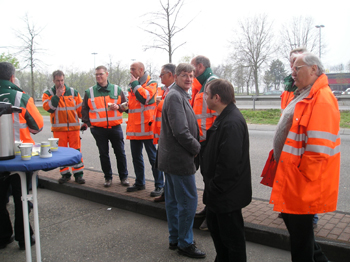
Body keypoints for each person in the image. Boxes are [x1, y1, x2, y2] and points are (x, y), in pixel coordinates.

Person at [269, 53, 340, 261]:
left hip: (300, 181)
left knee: (301, 240)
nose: (292, 72)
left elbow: (319, 147)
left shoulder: (322, 98)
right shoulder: (304, 93)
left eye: (297, 68)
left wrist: (302, 177)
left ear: (313, 70)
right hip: (293, 176)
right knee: (301, 236)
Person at [158, 63, 206, 259]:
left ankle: (175, 238)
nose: (188, 78)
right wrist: (197, 148)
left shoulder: (178, 95)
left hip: (170, 159)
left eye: (191, 75)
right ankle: (185, 243)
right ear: (176, 77)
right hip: (178, 160)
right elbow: (181, 132)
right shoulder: (176, 97)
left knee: (173, 200)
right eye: (184, 75)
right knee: (188, 201)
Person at [201, 79, 252, 261]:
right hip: (220, 194)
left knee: (232, 241)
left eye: (207, 94)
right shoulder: (224, 118)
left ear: (216, 97)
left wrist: (213, 186)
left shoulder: (231, 122)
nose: (204, 98)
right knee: (220, 236)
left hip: (226, 195)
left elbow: (229, 164)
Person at [0, 62, 43, 250]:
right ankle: (25, 237)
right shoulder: (20, 96)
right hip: (20, 157)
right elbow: (37, 126)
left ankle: (3, 236)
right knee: (22, 199)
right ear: (12, 78)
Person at [82, 65, 129, 187]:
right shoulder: (90, 92)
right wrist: (89, 124)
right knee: (103, 154)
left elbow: (126, 106)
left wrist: (118, 107)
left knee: (120, 153)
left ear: (107, 74)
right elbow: (84, 109)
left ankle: (124, 177)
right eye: (96, 74)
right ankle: (108, 178)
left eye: (101, 74)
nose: (98, 76)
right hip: (98, 129)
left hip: (115, 128)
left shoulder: (116, 89)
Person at [126, 62, 164, 197]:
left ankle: (160, 185)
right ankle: (139, 183)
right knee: (136, 158)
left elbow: (144, 98)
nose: (130, 72)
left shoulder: (151, 83)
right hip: (135, 129)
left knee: (154, 159)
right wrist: (121, 106)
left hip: (148, 128)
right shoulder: (134, 85)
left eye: (133, 69)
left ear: (141, 70)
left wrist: (135, 85)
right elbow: (133, 103)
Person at [42, 70, 85, 184]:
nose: (60, 83)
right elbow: (48, 108)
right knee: (61, 152)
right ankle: (65, 174)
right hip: (58, 129)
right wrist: (57, 96)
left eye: (62, 80)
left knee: (76, 151)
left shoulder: (73, 92)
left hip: (74, 128)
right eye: (57, 81)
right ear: (53, 80)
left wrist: (85, 121)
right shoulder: (48, 93)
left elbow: (80, 109)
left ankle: (78, 174)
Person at [191, 55, 219, 230]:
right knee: (207, 178)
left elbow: (218, 115)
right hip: (203, 140)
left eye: (193, 69)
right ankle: (209, 210)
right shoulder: (202, 85)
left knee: (212, 179)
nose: (192, 73)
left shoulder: (212, 84)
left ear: (200, 67)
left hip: (209, 141)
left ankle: (213, 215)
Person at [153, 63, 176, 203]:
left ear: (171, 75)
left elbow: (166, 107)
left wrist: (159, 102)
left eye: (162, 74)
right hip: (163, 134)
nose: (160, 77)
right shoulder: (164, 90)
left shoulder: (175, 91)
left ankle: (170, 195)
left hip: (170, 135)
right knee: (165, 166)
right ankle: (166, 193)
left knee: (170, 167)